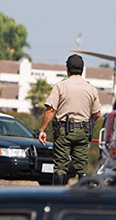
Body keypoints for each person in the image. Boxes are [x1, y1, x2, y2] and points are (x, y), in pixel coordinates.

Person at [38, 54, 102, 185]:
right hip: (83, 130)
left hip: (63, 131)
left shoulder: (60, 86)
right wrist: (89, 122)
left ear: (67, 69)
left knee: (60, 166)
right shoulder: (91, 88)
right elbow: (97, 113)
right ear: (82, 70)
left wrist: (42, 129)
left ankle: (58, 197)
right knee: (82, 165)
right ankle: (83, 196)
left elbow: (51, 110)